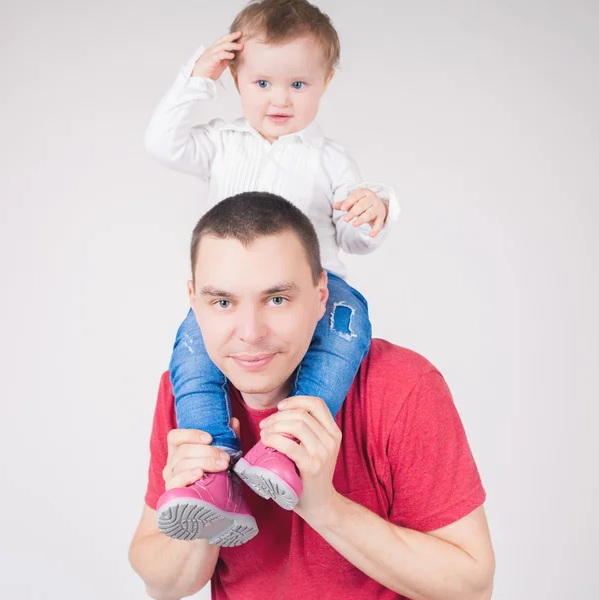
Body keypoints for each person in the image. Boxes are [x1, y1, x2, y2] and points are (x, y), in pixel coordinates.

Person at [129, 192, 495, 600]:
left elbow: (472, 588)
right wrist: (205, 520)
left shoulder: (401, 386)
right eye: (223, 302)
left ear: (322, 295)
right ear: (193, 302)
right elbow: (160, 586)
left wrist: (323, 506)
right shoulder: (185, 394)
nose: (250, 333)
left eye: (278, 299)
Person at [144, 0, 401, 539]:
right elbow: (161, 143)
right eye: (261, 82)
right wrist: (197, 78)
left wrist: (370, 212)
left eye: (298, 85)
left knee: (345, 336)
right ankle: (211, 476)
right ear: (236, 76)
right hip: (236, 293)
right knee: (191, 362)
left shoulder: (330, 158)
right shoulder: (220, 142)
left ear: (325, 83)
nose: (279, 99)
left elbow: (352, 238)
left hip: (318, 289)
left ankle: (284, 451)